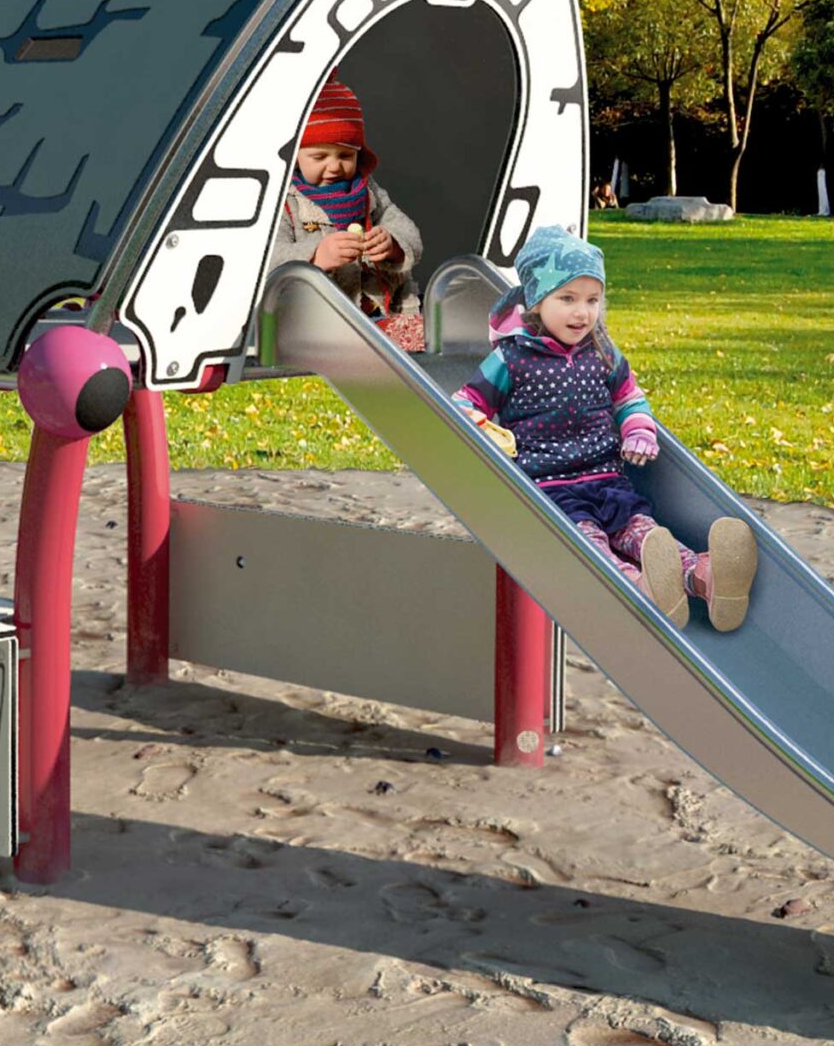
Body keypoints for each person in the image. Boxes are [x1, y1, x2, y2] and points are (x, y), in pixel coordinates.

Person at [451, 227, 757, 630]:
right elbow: (467, 402)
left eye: (592, 300)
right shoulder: (511, 358)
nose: (582, 313)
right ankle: (642, 589)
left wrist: (639, 431)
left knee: (645, 533)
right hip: (551, 490)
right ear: (537, 301)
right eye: (568, 299)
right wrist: (480, 428)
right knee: (591, 546)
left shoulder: (601, 349)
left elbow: (629, 397)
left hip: (608, 479)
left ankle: (705, 578)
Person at [268, 75, 422, 326]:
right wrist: (316, 256)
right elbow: (269, 258)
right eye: (319, 157)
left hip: (380, 315)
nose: (334, 167)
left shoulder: (367, 190)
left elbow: (409, 232)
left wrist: (392, 244)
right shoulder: (285, 202)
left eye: (345, 155)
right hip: (318, 322)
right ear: (296, 156)